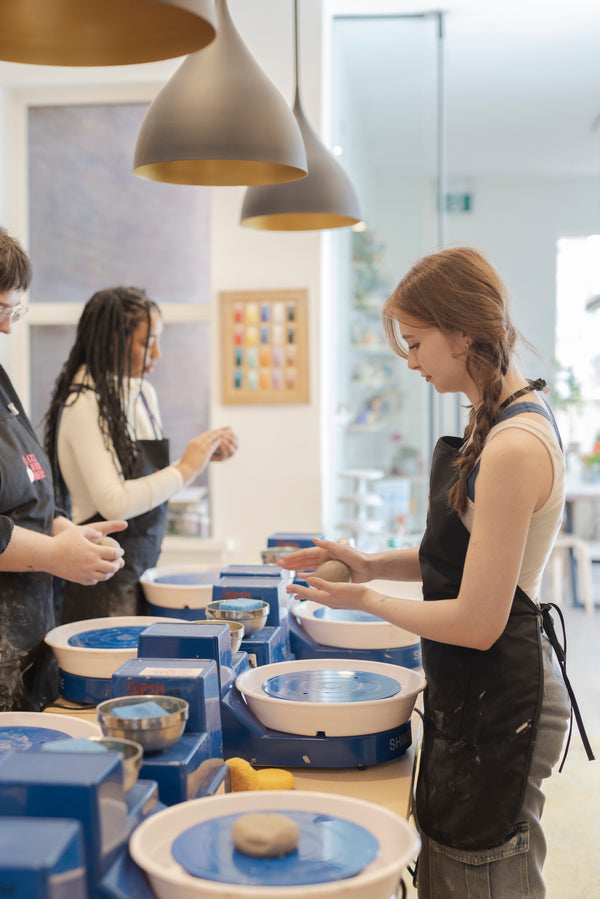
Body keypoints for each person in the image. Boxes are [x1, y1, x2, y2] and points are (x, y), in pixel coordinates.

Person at [279, 246, 594, 898]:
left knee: (483, 875)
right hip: (474, 687)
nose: (411, 361)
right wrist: (371, 560)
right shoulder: (496, 418)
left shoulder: (512, 445)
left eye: (418, 342)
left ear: (464, 331)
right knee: (450, 867)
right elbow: (464, 560)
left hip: (499, 688)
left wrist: (366, 595)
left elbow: (477, 619)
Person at [44, 286, 238, 624]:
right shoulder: (83, 402)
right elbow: (114, 502)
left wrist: (201, 458)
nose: (158, 354)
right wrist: (185, 469)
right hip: (100, 585)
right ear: (113, 342)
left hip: (142, 570)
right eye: (148, 343)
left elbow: (145, 480)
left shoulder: (143, 393)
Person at [0, 228, 126, 712]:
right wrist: (53, 553)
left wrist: (65, 530)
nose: (9, 328)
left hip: (27, 637)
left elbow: (26, 488)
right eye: (2, 311)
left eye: (15, 312)